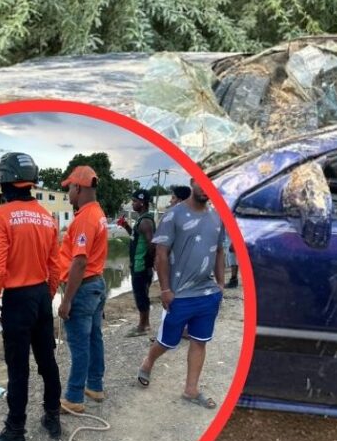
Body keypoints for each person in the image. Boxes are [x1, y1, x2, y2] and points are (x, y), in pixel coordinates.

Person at [0, 152, 62, 441]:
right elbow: (55, 265)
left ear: (4, 181)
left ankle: (15, 433)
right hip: (42, 297)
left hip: (17, 301)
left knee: (18, 370)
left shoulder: (2, 215)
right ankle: (52, 418)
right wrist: (48, 294)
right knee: (47, 362)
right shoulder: (47, 216)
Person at [137, 179, 225, 408]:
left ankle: (191, 389)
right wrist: (165, 289)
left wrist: (221, 284)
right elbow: (161, 254)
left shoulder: (218, 217)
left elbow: (219, 251)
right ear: (193, 181)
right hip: (180, 294)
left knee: (199, 341)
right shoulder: (173, 215)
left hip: (207, 293)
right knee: (167, 341)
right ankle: (148, 362)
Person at [56, 165, 109, 415]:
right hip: (96, 284)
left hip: (83, 288)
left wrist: (66, 301)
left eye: (69, 189)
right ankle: (95, 386)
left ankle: (74, 397)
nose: (68, 194)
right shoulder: (97, 213)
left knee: (80, 345)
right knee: (94, 338)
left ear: (78, 187)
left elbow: (79, 261)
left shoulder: (86, 218)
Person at [118, 188, 155, 336]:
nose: (132, 204)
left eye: (135, 201)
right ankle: (144, 323)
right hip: (138, 265)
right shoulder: (141, 220)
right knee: (140, 294)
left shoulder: (146, 221)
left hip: (141, 265)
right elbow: (135, 237)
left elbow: (152, 244)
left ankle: (144, 326)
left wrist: (151, 262)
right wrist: (125, 226)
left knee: (141, 296)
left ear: (142, 203)